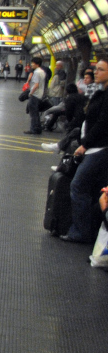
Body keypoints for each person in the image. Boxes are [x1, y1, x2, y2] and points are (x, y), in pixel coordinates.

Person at [60, 59, 108, 243]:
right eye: (96, 69)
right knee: (95, 188)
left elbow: (103, 124)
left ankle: (80, 232)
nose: (96, 72)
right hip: (96, 148)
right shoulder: (100, 92)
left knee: (78, 186)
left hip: (99, 148)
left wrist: (85, 144)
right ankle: (92, 230)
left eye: (101, 70)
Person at [23, 56, 48, 135]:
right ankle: (37, 129)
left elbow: (36, 84)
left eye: (32, 63)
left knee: (33, 113)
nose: (31, 64)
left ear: (37, 64)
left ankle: (33, 129)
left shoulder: (37, 72)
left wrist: (31, 93)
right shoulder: (42, 71)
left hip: (35, 95)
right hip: (39, 94)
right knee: (36, 113)